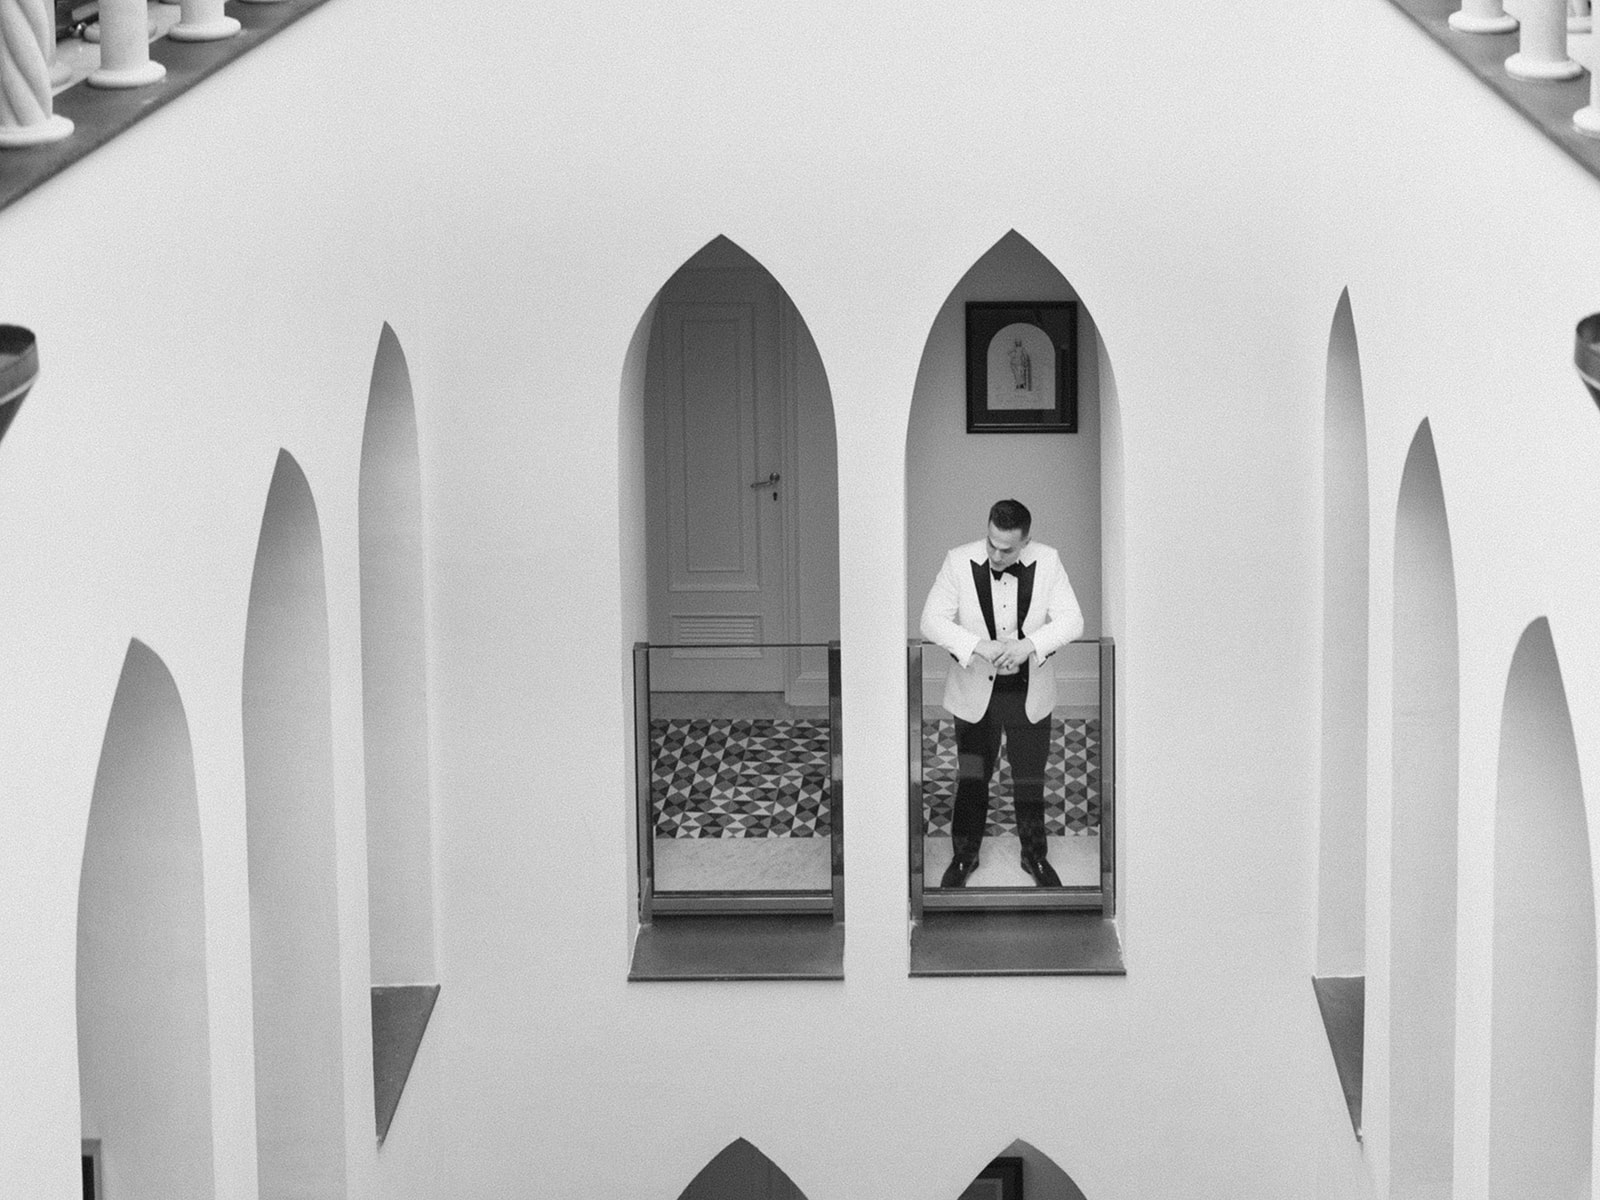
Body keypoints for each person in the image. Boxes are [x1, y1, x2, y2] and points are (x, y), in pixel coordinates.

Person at [919, 499, 1084, 887]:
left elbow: (1073, 621)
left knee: (1030, 778)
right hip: (976, 692)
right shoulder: (958, 561)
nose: (995, 555)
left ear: (1026, 541)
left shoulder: (1048, 560)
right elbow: (930, 621)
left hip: (1029, 693)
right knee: (972, 776)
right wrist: (979, 645)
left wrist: (1028, 646)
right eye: (991, 543)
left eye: (1006, 549)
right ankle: (964, 856)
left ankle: (1034, 856)